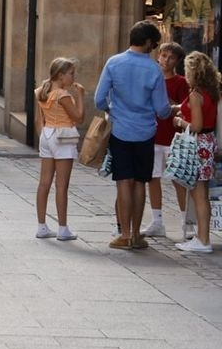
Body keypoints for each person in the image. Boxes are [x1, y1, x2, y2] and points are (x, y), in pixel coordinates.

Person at [94, 20, 171, 251]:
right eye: (154, 44)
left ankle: (124, 234)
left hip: (121, 130)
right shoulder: (153, 69)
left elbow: (99, 99)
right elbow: (162, 109)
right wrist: (172, 110)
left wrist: (113, 111)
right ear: (147, 42)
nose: (154, 48)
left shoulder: (114, 62)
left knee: (123, 182)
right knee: (140, 182)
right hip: (146, 132)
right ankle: (137, 234)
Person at [33, 58, 85, 242]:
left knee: (44, 182)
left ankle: (41, 226)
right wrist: (80, 96)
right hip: (63, 135)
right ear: (61, 75)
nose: (73, 77)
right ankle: (63, 228)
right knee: (62, 185)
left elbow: (39, 120)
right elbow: (78, 117)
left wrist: (44, 135)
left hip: (47, 134)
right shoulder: (62, 95)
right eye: (71, 73)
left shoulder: (42, 91)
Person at [172, 51, 219, 253]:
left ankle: (203, 239)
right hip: (208, 143)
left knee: (199, 194)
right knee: (202, 193)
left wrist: (180, 121)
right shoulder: (211, 93)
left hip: (198, 145)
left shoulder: (195, 94)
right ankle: (202, 237)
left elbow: (197, 126)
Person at [144, 42, 191, 239]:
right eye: (163, 56)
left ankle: (186, 222)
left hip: (173, 137)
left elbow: (185, 107)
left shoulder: (180, 82)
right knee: (153, 178)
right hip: (153, 135)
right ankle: (157, 221)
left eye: (170, 58)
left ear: (177, 61)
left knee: (178, 180)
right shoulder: (152, 77)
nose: (165, 60)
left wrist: (168, 104)